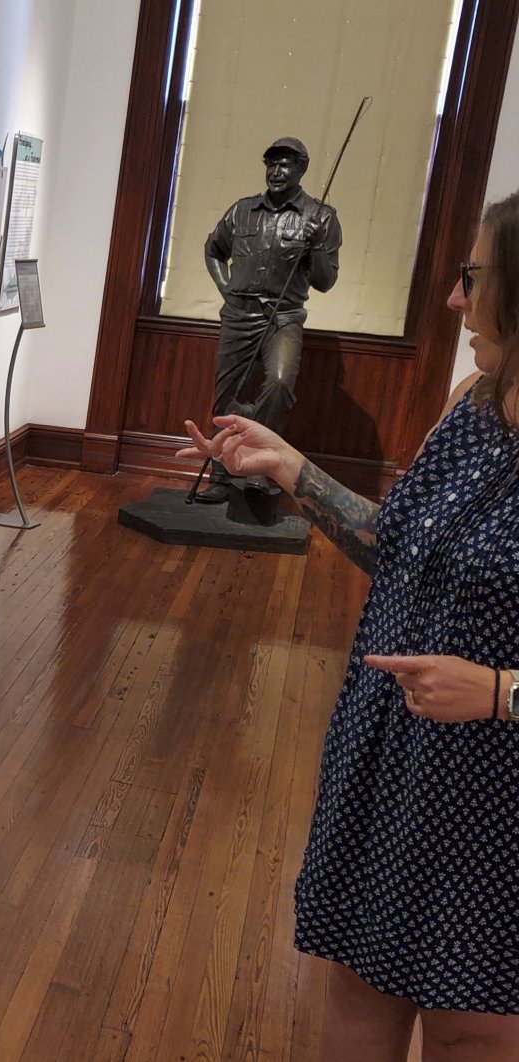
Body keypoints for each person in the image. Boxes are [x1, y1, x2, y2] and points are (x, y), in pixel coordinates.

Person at [178, 189, 519, 1058]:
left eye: (474, 277)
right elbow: (392, 547)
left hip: (496, 798)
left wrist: (505, 693)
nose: (454, 298)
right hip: (389, 759)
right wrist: (289, 466)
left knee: (469, 1030)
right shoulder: (470, 403)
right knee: (359, 992)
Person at [197, 137, 342, 504]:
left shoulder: (321, 217)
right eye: (272, 164)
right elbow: (213, 249)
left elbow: (325, 282)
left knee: (278, 384)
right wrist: (226, 287)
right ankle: (221, 475)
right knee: (228, 396)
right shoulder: (241, 211)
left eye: (286, 165)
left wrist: (318, 246)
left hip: (284, 318)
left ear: (301, 170)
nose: (277, 172)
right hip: (239, 316)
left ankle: (261, 471)